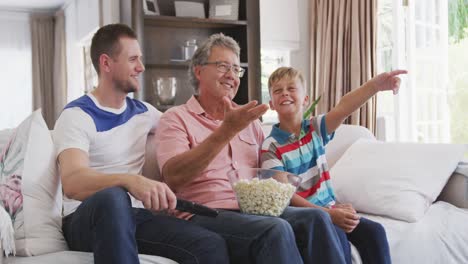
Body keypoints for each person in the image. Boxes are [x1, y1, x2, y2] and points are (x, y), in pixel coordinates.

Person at [155, 33, 350, 264]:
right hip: (203, 213)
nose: (231, 75)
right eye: (222, 66)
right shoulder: (175, 118)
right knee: (274, 229)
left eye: (236, 69)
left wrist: (323, 203)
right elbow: (174, 177)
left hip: (254, 210)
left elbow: (268, 177)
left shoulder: (250, 122)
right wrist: (225, 131)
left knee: (316, 218)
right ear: (199, 71)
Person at [53, 24, 229, 264]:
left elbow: (186, 130)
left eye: (141, 59)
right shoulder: (77, 115)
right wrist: (129, 180)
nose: (141, 67)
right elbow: (73, 182)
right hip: (86, 219)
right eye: (133, 59)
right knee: (114, 197)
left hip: (135, 216)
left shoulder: (145, 113)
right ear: (106, 63)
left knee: (209, 244)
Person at [261, 67, 406, 264]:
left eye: (291, 88)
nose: (285, 93)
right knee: (338, 237)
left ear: (305, 99)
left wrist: (375, 86)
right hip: (308, 217)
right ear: (271, 104)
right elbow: (285, 195)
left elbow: (344, 107)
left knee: (375, 232)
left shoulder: (314, 128)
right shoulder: (270, 146)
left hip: (331, 209)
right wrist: (330, 215)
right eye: (278, 91)